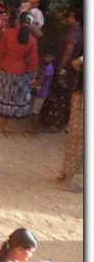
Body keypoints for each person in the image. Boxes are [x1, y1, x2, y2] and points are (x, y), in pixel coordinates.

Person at [0, 12, 39, 138]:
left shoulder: (8, 33)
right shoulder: (32, 41)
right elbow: (33, 62)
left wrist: (0, 64)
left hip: (5, 69)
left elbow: (1, 51)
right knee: (10, 102)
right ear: (30, 24)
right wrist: (33, 76)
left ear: (18, 21)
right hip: (20, 74)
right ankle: (0, 130)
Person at [41, 7, 83, 132]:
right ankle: (59, 121)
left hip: (66, 68)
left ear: (78, 21)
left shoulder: (73, 35)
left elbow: (68, 53)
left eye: (71, 17)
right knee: (64, 96)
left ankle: (53, 123)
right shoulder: (80, 33)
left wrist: (60, 67)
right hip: (70, 70)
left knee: (58, 95)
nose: (69, 19)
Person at [57, 55, 83, 193]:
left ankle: (64, 175)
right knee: (79, 147)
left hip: (78, 99)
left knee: (72, 142)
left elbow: (75, 62)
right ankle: (67, 183)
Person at [26, 45, 56, 137]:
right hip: (39, 91)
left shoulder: (48, 67)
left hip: (41, 93)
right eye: (46, 56)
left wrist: (32, 84)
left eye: (49, 57)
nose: (46, 58)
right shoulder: (46, 66)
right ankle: (31, 128)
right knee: (34, 111)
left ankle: (33, 131)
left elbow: (41, 80)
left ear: (53, 58)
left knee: (36, 112)